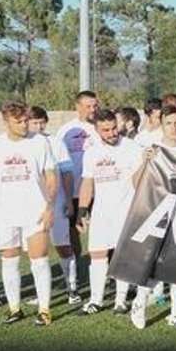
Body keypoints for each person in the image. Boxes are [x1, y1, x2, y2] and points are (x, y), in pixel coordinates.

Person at [0, 101, 59, 327]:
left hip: (35, 211)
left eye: (25, 120)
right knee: (9, 261)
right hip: (4, 214)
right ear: (6, 122)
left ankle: (44, 309)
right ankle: (15, 309)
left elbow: (52, 178)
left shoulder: (40, 142)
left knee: (39, 260)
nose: (24, 125)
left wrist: (49, 206)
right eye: (18, 122)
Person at [115, 105, 176, 315]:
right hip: (156, 213)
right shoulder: (151, 149)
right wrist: (145, 162)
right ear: (161, 125)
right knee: (153, 262)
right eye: (168, 123)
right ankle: (140, 302)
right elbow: (137, 184)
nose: (173, 128)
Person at [76, 108, 148, 319]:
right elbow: (88, 183)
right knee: (97, 255)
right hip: (101, 212)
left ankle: (120, 301)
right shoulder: (91, 152)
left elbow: (138, 182)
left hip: (125, 211)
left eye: (113, 128)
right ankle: (95, 301)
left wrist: (144, 163)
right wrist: (82, 210)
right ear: (97, 130)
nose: (111, 133)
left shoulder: (132, 148)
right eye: (106, 130)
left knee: (121, 256)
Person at [53, 90, 100, 305]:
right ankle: (78, 272)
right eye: (88, 106)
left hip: (99, 189)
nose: (93, 110)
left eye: (95, 106)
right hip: (73, 191)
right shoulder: (65, 131)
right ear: (77, 106)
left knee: (102, 231)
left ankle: (106, 274)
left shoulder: (101, 128)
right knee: (73, 234)